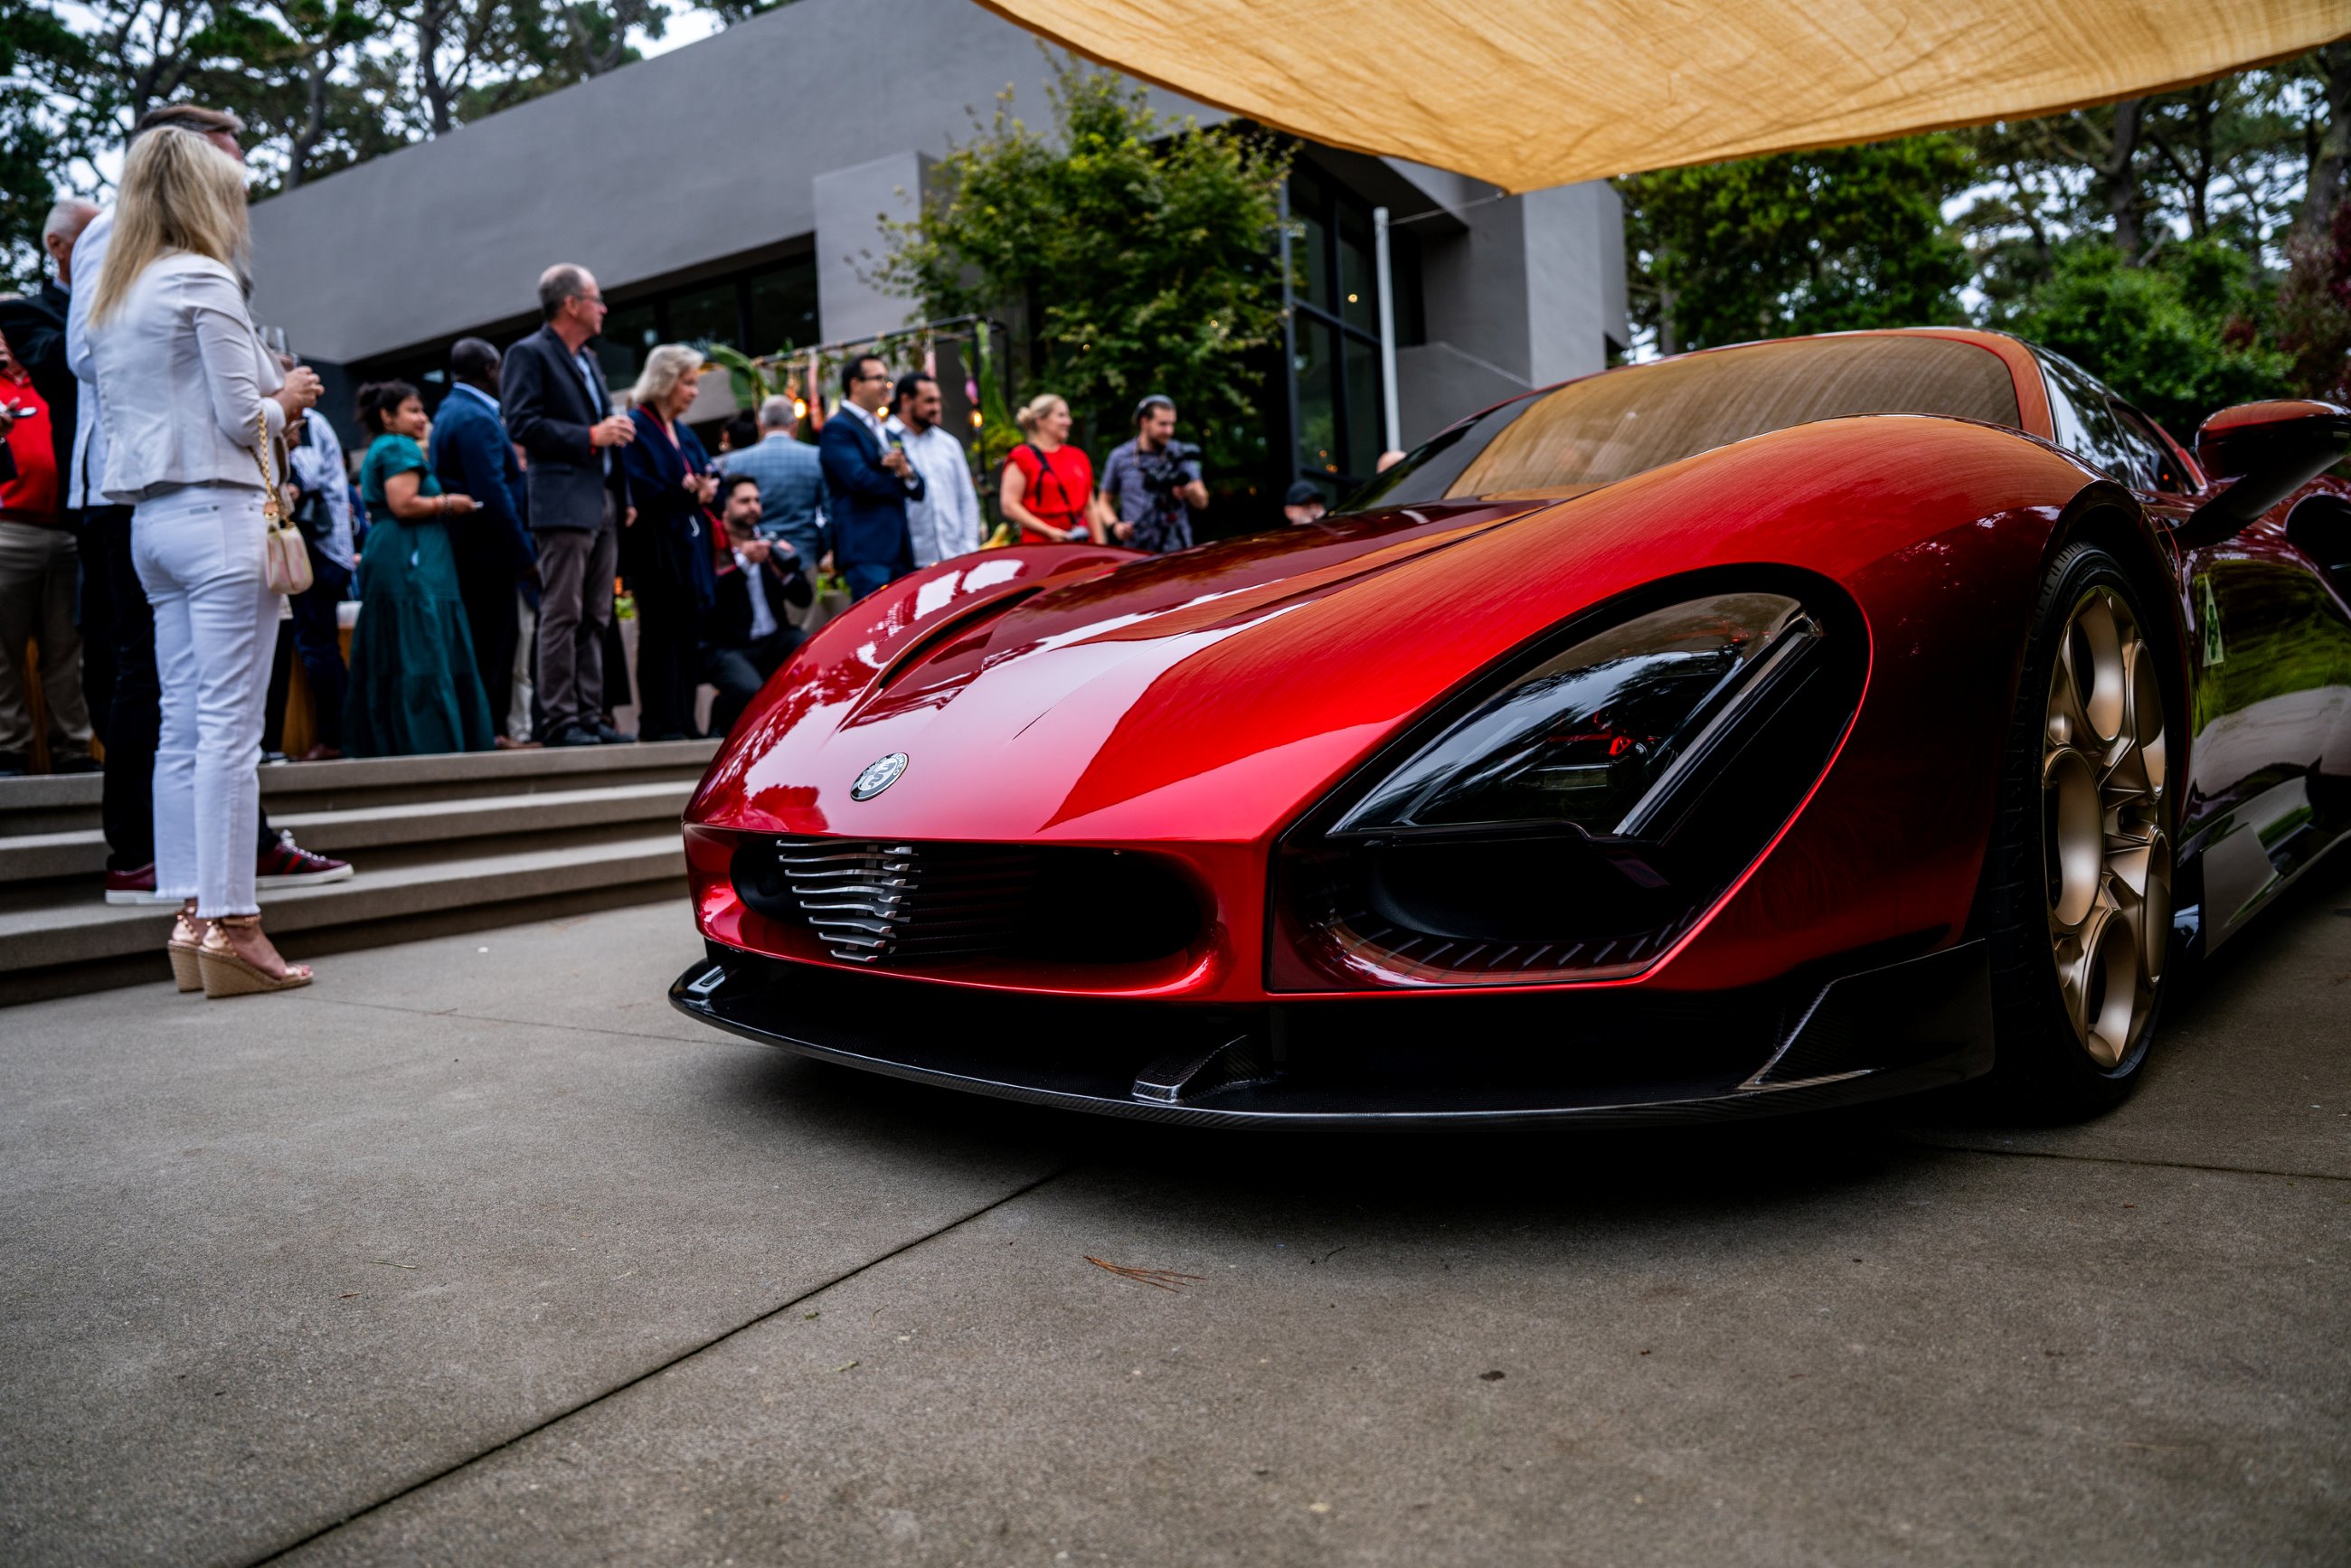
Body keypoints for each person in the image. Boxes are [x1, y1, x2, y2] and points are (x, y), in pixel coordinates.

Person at [62, 105, 347, 908]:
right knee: (228, 728)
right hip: (218, 515)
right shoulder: (199, 275)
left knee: (183, 725)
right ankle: (230, 921)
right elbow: (238, 417)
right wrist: (286, 396)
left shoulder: (119, 293)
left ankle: (190, 909)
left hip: (150, 518)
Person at [503, 263, 636, 748]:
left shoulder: (589, 359)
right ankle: (560, 720)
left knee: (597, 614)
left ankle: (589, 714)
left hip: (600, 498)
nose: (603, 309)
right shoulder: (528, 353)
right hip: (561, 500)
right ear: (571, 304)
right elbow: (520, 423)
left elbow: (603, 427)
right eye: (597, 299)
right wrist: (590, 435)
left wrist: (625, 496)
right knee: (562, 612)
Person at [344, 381, 495, 757]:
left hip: (398, 553)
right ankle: (428, 741)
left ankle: (396, 740)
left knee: (403, 646)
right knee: (420, 643)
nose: (423, 418)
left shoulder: (384, 447)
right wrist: (449, 504)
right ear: (387, 416)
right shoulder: (397, 446)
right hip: (408, 558)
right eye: (413, 410)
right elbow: (404, 503)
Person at [429, 336, 536, 747]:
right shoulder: (474, 416)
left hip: (469, 548)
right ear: (491, 369)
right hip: (487, 552)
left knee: (483, 640)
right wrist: (525, 556)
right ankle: (490, 730)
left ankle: (485, 728)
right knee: (493, 641)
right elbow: (493, 492)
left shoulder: (451, 410)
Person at [0, 322, 94, 774]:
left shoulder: (55, 375)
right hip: (7, 529)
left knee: (66, 648)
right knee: (3, 649)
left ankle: (74, 746)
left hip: (66, 527)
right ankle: (9, 747)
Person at [618, 344, 720, 741]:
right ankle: (660, 723)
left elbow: (710, 475)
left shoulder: (685, 432)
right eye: (689, 382)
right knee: (659, 633)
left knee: (686, 633)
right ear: (666, 381)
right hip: (656, 549)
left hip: (689, 548)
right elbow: (640, 490)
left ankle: (684, 721)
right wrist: (687, 492)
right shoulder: (636, 425)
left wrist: (704, 488)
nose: (694, 392)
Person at [705, 472, 810, 737]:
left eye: (756, 500)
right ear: (725, 507)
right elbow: (708, 597)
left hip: (773, 639)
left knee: (804, 650)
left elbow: (803, 597)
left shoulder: (770, 542)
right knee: (748, 691)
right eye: (744, 501)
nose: (753, 507)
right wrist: (742, 563)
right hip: (730, 645)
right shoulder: (713, 545)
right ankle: (721, 727)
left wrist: (784, 571)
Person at [281, 390, 352, 760]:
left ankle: (334, 738)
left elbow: (302, 478)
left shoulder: (305, 420)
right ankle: (341, 734)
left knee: (316, 644)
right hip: (321, 550)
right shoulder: (311, 419)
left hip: (319, 551)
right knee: (319, 643)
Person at [818, 354, 924, 600]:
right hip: (866, 550)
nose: (886, 386)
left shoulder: (885, 430)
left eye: (887, 379)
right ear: (856, 384)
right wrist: (899, 479)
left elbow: (919, 489)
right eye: (879, 379)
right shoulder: (838, 428)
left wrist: (907, 472)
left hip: (899, 550)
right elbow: (859, 480)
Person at [718, 394, 827, 564]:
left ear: (761, 426)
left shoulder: (735, 462)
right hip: (803, 552)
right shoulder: (816, 457)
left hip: (756, 555)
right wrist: (821, 548)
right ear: (795, 425)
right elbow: (829, 512)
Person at [888, 373, 982, 568]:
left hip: (953, 556)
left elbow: (966, 498)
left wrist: (969, 546)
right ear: (906, 400)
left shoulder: (948, 444)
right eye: (929, 401)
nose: (936, 408)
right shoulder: (885, 439)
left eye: (938, 401)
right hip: (909, 562)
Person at [1100, 393, 1209, 554]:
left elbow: (1202, 502)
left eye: (1172, 424)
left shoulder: (1180, 453)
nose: (1169, 431)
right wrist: (1115, 525)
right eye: (1163, 424)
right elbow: (1103, 502)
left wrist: (1187, 490)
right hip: (1137, 550)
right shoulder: (1120, 456)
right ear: (1144, 422)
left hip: (1178, 548)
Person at [1002, 394, 1101, 546]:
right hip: (1042, 546)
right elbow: (1009, 505)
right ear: (1040, 420)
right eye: (1061, 415)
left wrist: (1101, 547)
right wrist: (1049, 531)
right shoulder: (1022, 457)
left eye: (1068, 416)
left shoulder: (1078, 456)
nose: (1068, 421)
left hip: (1080, 542)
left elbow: (1090, 507)